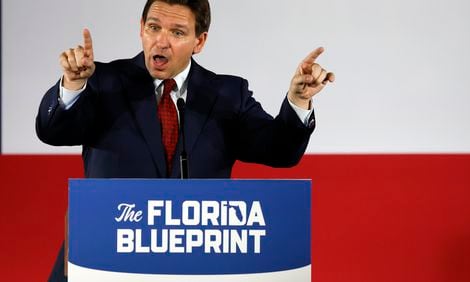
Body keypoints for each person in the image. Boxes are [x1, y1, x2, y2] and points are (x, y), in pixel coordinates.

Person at [36, 0, 334, 280]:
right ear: (141, 28)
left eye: (177, 32)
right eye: (153, 27)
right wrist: (73, 85)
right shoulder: (103, 81)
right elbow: (53, 131)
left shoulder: (228, 95)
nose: (161, 41)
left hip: (192, 264)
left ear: (199, 41)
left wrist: (298, 100)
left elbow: (280, 151)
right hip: (102, 259)